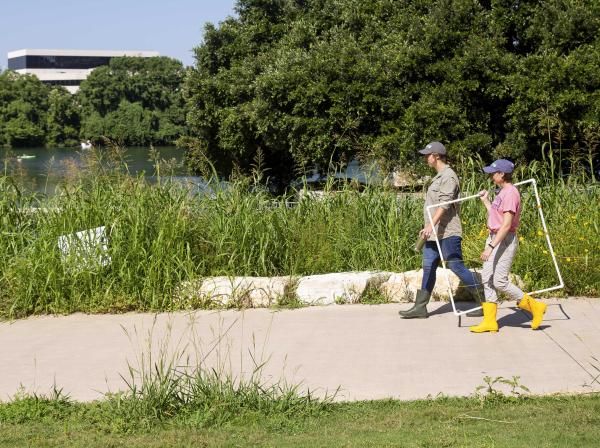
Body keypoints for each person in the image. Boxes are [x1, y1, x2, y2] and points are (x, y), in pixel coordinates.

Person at [400, 141, 483, 319]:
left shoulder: (449, 176)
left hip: (447, 232)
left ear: (436, 156)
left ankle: (484, 301)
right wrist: (428, 227)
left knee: (455, 265)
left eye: (427, 155)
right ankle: (420, 307)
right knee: (428, 267)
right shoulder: (439, 177)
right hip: (433, 234)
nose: (425, 158)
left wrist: (430, 225)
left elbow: (444, 205)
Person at [469, 159, 547, 333]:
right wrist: (486, 202)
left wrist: (490, 246)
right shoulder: (502, 192)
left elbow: (506, 225)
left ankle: (535, 307)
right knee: (487, 278)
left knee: (500, 281)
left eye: (493, 173)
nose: (490, 175)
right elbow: (496, 218)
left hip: (503, 240)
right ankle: (490, 321)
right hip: (495, 237)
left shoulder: (510, 193)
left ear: (502, 174)